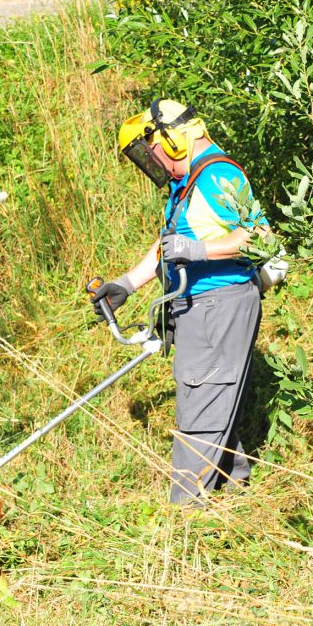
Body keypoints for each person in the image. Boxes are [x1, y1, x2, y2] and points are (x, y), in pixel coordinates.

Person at [91, 99, 268, 505]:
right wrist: (126, 284)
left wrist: (201, 250)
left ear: (171, 139)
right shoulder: (187, 181)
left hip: (219, 303)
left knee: (200, 408)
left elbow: (260, 237)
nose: (148, 162)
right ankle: (235, 486)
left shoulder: (217, 175)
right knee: (209, 396)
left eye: (147, 150)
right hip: (196, 307)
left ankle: (186, 512)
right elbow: (172, 242)